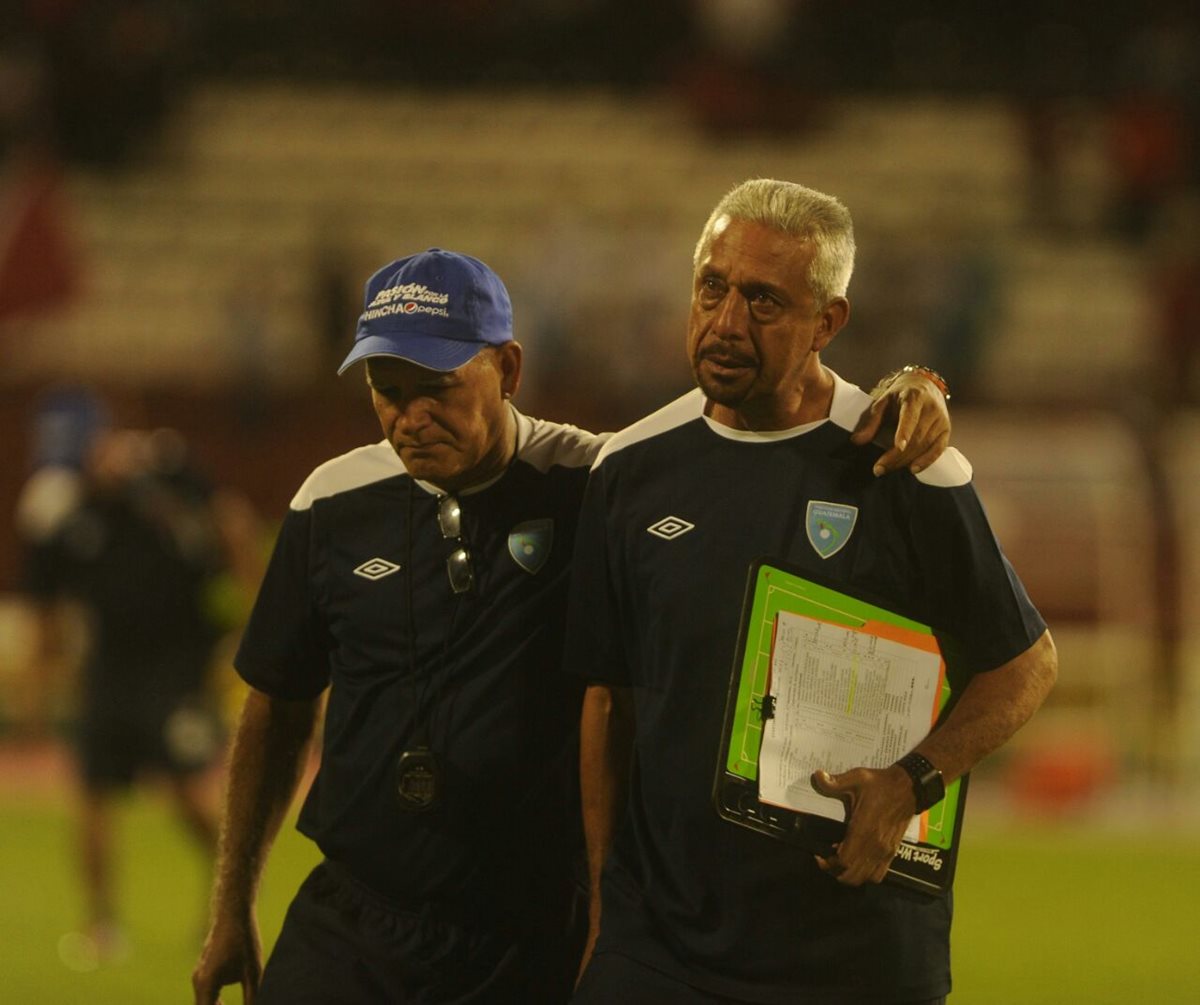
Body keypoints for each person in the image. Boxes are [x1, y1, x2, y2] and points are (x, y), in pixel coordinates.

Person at [191, 247, 954, 1005]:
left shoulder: (600, 484)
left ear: (510, 369)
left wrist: (909, 386)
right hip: (354, 922)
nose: (409, 417)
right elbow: (276, 708)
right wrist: (231, 906)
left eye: (437, 389)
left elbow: (745, 427)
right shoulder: (330, 503)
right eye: (385, 392)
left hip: (532, 934)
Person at [566, 179, 1058, 1005]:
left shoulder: (904, 463)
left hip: (857, 953)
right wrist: (600, 913)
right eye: (712, 286)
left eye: (764, 301)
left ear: (829, 321)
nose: (726, 322)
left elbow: (1026, 664)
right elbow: (608, 700)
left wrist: (911, 783)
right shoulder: (630, 470)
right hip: (663, 950)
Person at [17, 414, 229, 964]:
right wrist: (43, 687)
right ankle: (100, 925)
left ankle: (232, 891)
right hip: (109, 671)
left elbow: (222, 536)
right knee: (92, 797)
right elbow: (46, 602)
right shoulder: (76, 518)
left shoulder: (167, 495)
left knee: (187, 792)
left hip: (173, 669)